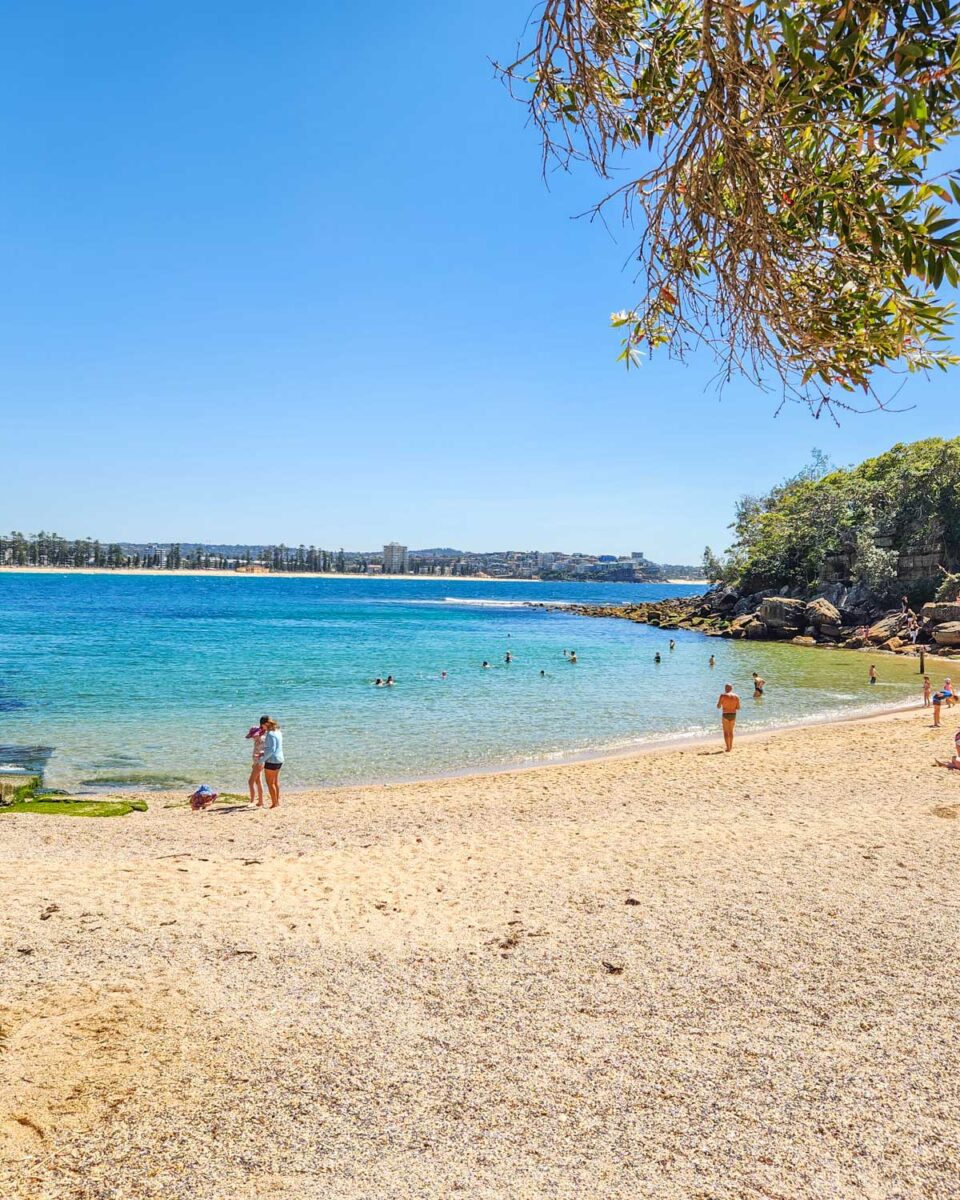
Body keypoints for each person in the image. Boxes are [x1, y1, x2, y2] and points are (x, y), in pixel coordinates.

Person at [245, 715, 269, 807]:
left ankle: (252, 801)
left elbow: (264, 751)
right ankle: (260, 801)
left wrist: (257, 763)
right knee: (258, 781)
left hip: (259, 763)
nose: (253, 738)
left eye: (253, 736)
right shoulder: (258, 740)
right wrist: (254, 763)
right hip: (257, 763)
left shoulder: (261, 739)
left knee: (250, 782)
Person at [262, 718, 284, 809]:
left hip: (272, 760)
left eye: (262, 726)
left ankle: (274, 803)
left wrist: (261, 760)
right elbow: (275, 747)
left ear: (265, 724)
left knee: (270, 783)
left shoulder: (270, 734)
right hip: (280, 759)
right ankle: (277, 802)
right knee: (275, 782)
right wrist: (264, 753)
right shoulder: (278, 731)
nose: (262, 728)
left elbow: (271, 749)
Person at [717, 683, 740, 751]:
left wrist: (723, 704)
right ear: (731, 688)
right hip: (733, 714)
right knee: (731, 731)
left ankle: (728, 748)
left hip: (725, 714)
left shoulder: (722, 695)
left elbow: (718, 706)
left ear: (725, 688)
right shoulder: (736, 696)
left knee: (726, 732)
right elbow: (738, 708)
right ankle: (731, 747)